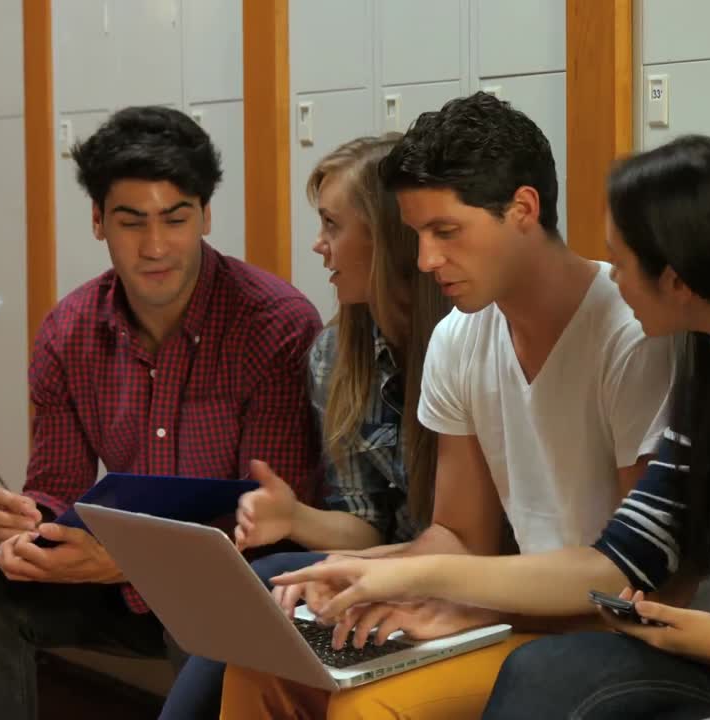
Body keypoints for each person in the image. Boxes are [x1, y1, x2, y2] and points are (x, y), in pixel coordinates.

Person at [276, 134, 710, 720]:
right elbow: (621, 559)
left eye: (624, 261)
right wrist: (412, 575)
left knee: (545, 677)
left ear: (680, 279)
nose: (611, 279)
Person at [219, 92, 678, 720]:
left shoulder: (628, 333)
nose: (427, 260)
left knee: (364, 708)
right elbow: (461, 534)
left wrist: (430, 587)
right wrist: (351, 569)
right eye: (417, 235)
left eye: (446, 232)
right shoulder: (460, 338)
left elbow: (639, 577)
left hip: (625, 634)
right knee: (263, 667)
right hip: (522, 615)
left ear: (523, 208)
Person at [0, 105, 323, 720]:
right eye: (131, 222)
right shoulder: (68, 332)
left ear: (206, 214)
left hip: (231, 580)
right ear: (98, 221)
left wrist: (133, 562)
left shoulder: (276, 327)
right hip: (107, 580)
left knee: (206, 624)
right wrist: (27, 525)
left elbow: (275, 523)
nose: (155, 247)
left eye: (176, 219)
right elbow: (55, 487)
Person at [158, 135, 452, 719]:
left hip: (465, 580)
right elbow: (367, 523)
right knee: (254, 585)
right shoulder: (334, 356)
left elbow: (479, 542)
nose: (318, 246)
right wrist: (294, 518)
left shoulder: (465, 343)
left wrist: (362, 569)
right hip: (395, 561)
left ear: (389, 236)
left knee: (271, 590)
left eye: (332, 225)